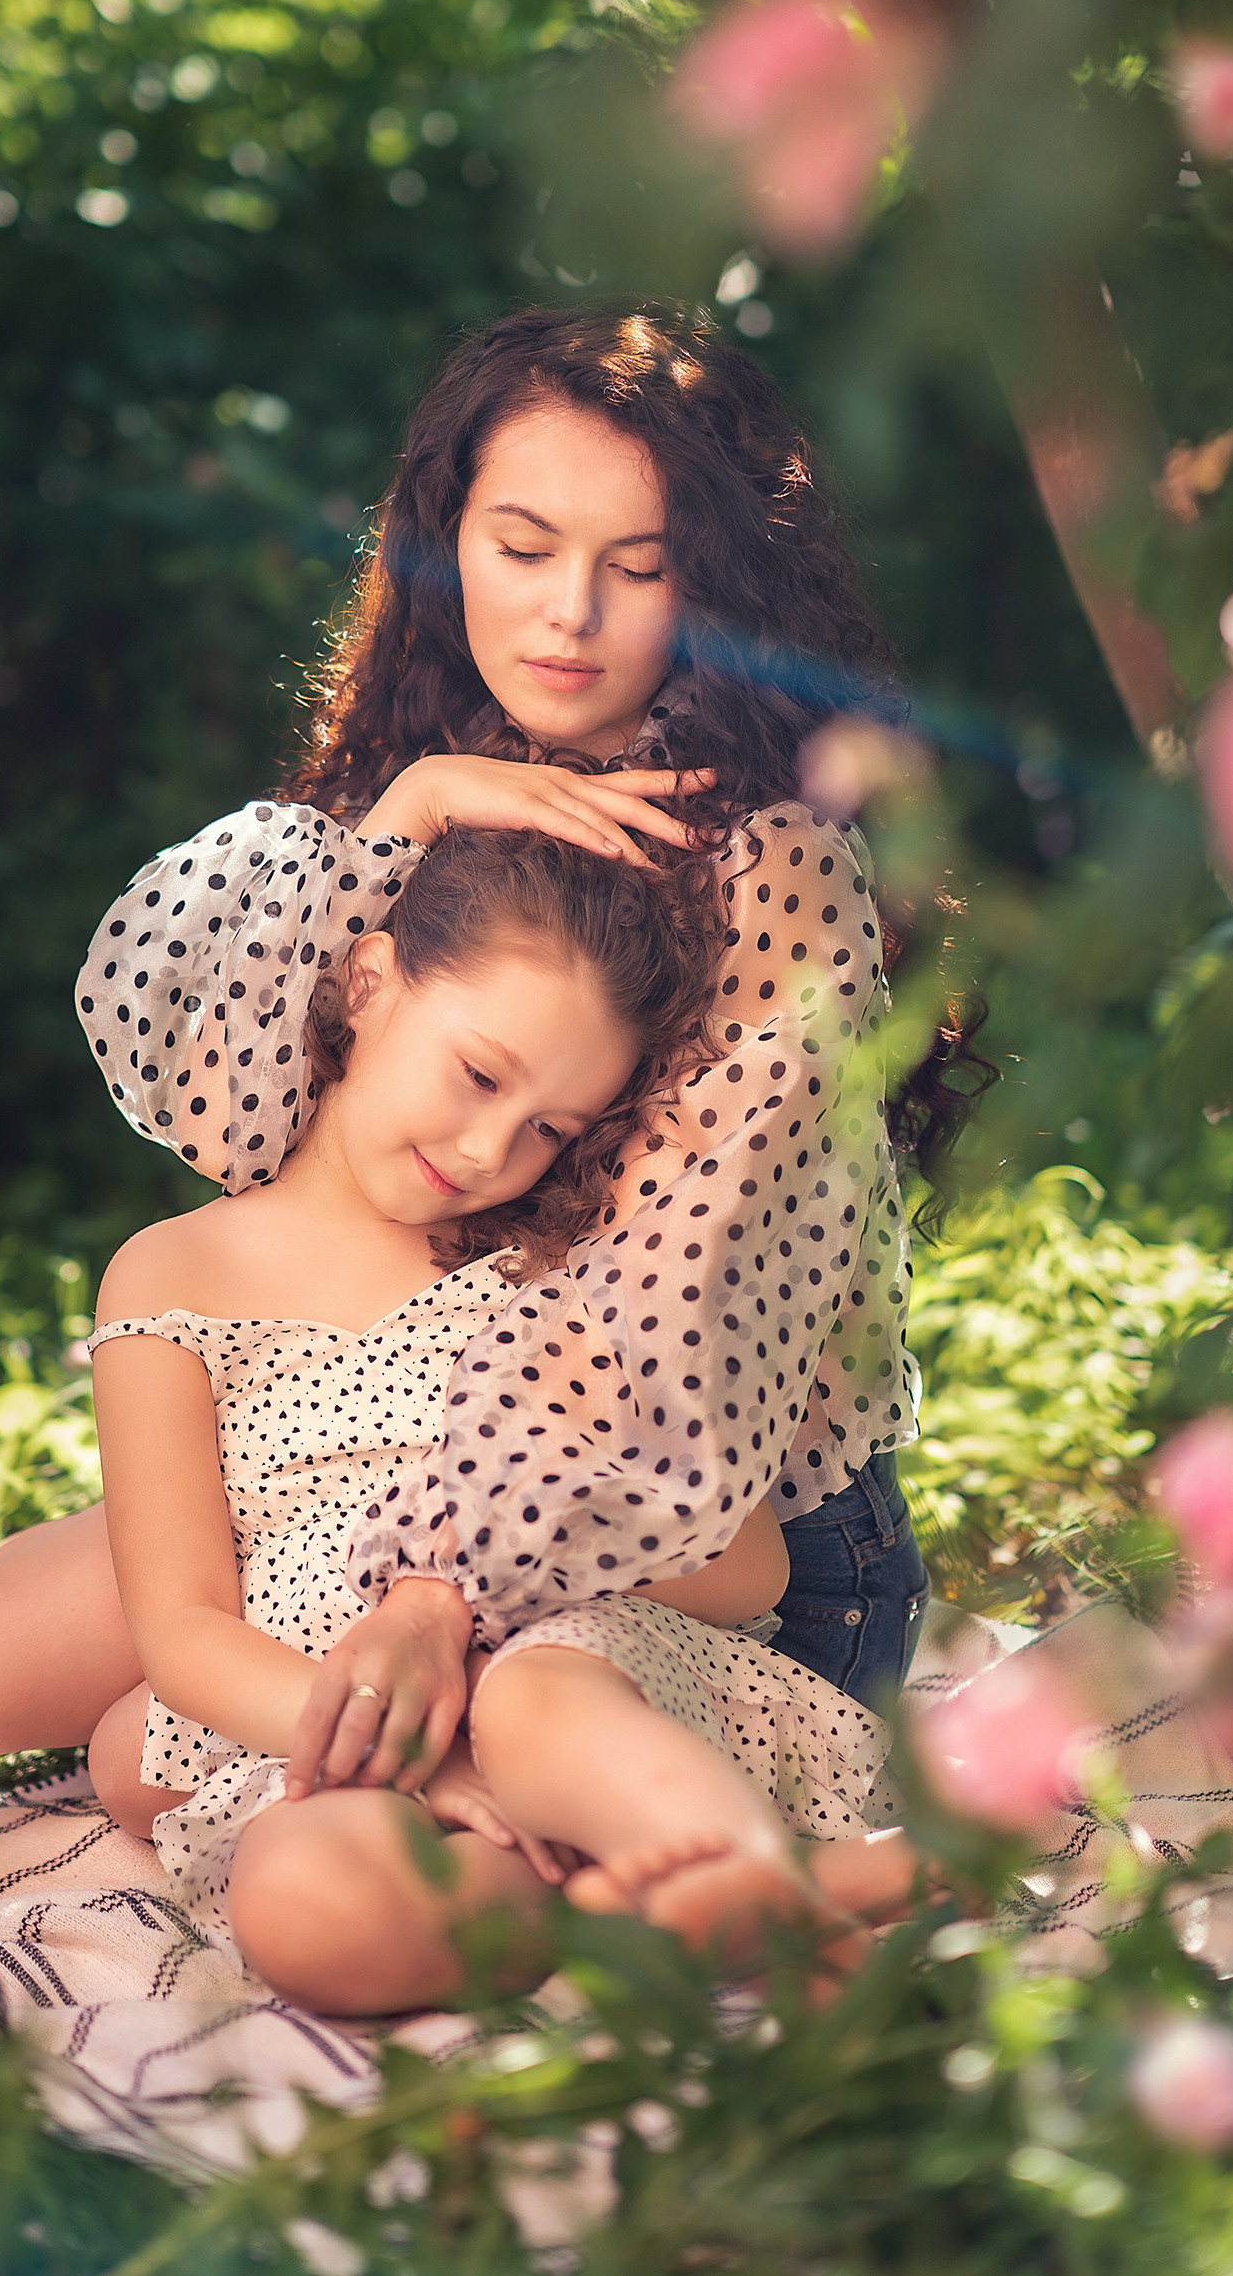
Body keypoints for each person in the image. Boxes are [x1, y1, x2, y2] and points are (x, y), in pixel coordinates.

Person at [0, 303, 992, 1775]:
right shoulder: (433, 770)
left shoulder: (772, 868)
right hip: (382, 1417)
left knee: (139, 1744)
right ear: (445, 537)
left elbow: (668, 1321)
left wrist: (436, 1587)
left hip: (685, 1523)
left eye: (641, 568)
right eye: (522, 547)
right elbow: (231, 1120)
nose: (568, 616)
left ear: (717, 587)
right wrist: (400, 816)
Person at [88, 823, 917, 2013]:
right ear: (368, 985)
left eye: (548, 1131)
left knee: (536, 1702)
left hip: (581, 1699)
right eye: (480, 1075)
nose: (488, 1150)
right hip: (364, 1739)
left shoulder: (556, 1278)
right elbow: (181, 1630)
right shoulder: (169, 1277)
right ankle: (679, 1910)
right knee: (310, 1900)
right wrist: (419, 1759)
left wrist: (485, 1610)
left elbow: (743, 1567)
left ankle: (743, 1872)